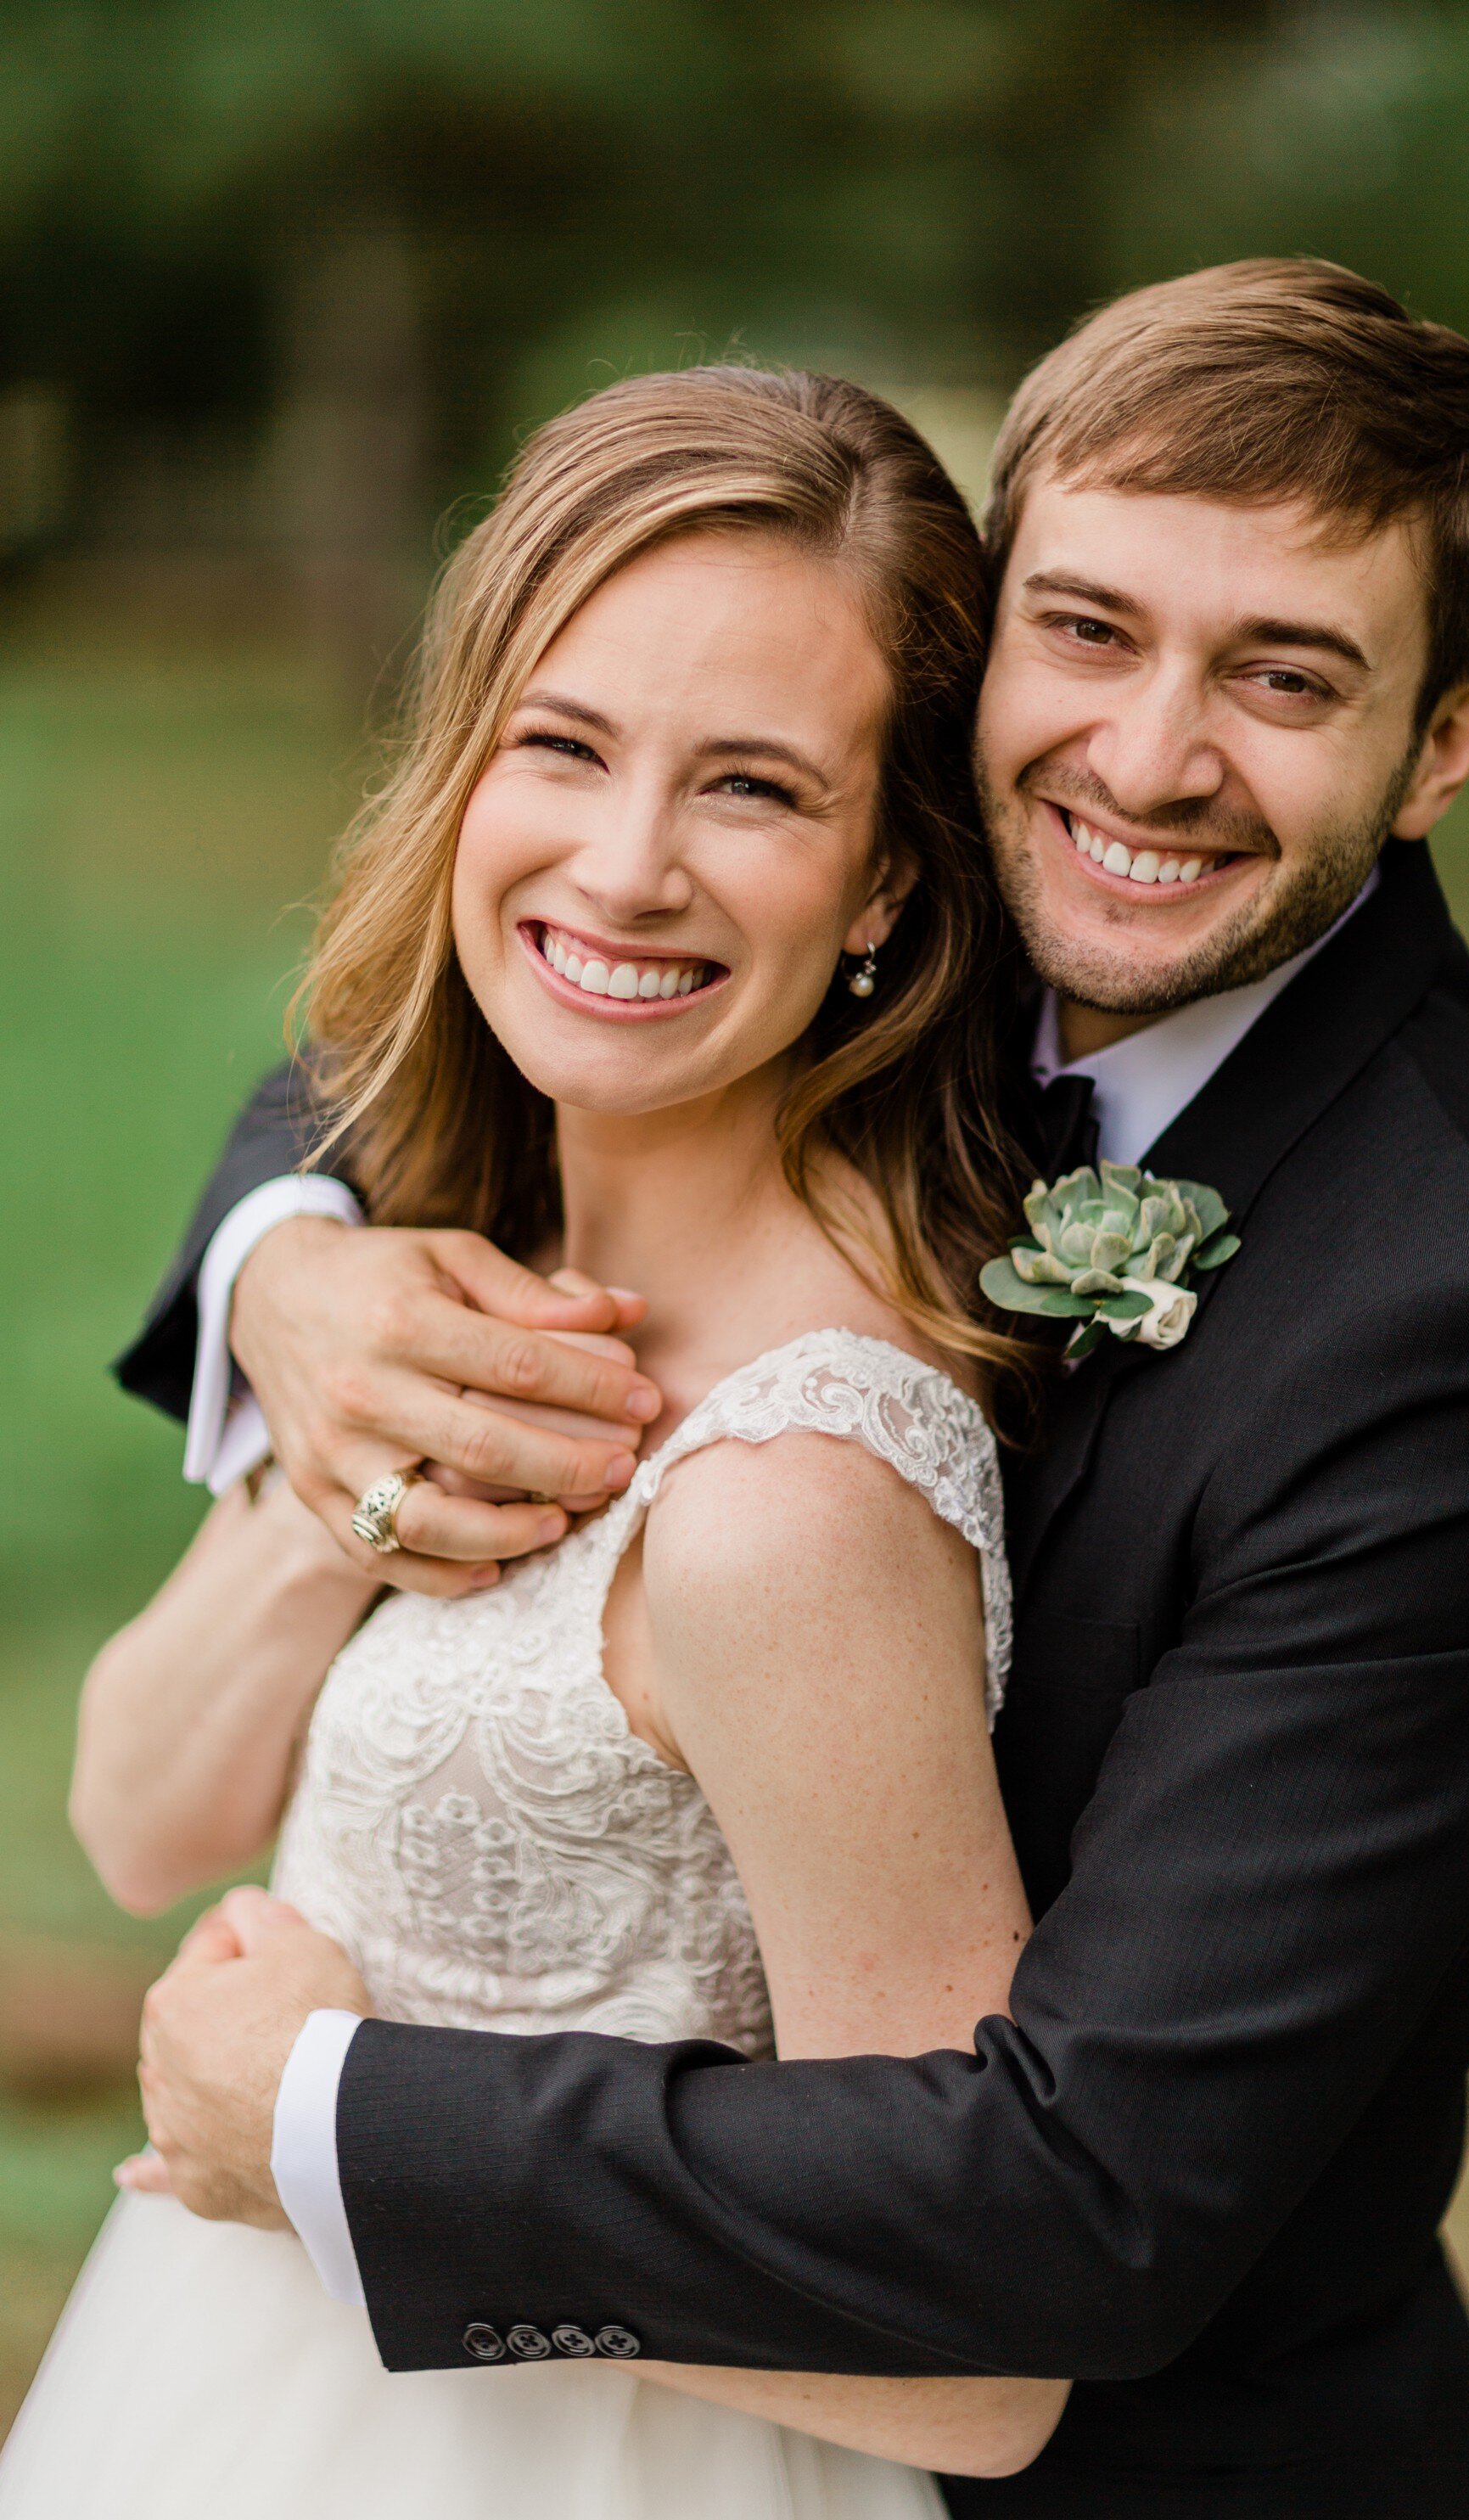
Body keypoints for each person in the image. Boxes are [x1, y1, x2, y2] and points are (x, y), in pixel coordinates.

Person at [31, 262, 1469, 2517]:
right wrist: (288, 1272)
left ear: (1450, 741)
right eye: (1089, 628)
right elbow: (493, 978)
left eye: (1288, 673)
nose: (1148, 753)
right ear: (984, 649)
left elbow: (1081, 2200)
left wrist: (327, 2117)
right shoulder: (901, 881)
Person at [0, 366, 1074, 2515]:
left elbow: (985, 2357)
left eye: (754, 787)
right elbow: (136, 1816)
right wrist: (356, 1480)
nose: (625, 862)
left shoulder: (795, 1495)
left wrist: (318, 2132)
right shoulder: (441, 1266)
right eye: (562, 745)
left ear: (885, 883)